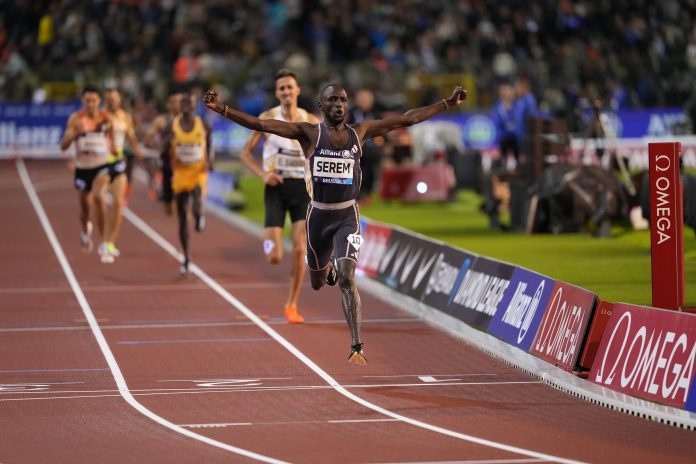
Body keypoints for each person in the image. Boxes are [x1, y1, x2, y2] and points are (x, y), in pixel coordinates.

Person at [204, 84, 468, 364]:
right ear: (321, 105)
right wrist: (222, 109)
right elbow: (260, 124)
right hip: (318, 215)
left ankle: (356, 344)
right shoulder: (308, 133)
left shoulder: (360, 132)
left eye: (342, 99)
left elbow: (407, 119)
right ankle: (324, 268)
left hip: (346, 216)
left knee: (347, 276)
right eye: (332, 100)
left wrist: (447, 103)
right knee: (318, 283)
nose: (339, 104)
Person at [239, 69, 321, 324]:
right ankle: (269, 243)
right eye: (281, 88)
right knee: (273, 255)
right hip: (275, 188)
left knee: (299, 249)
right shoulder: (267, 118)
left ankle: (292, 305)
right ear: (277, 93)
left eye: (290, 87)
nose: (286, 92)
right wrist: (264, 175)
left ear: (297, 91)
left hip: (301, 190)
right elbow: (245, 154)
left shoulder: (311, 121)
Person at [60, 85, 116, 262]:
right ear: (83, 101)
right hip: (83, 169)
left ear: (99, 102)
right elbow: (63, 146)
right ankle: (85, 230)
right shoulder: (76, 119)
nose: (91, 104)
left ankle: (105, 243)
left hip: (102, 166)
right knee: (85, 209)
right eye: (87, 100)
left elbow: (112, 141)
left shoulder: (106, 118)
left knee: (99, 197)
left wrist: (112, 147)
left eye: (94, 100)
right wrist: (75, 133)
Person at [162, 92, 213, 274]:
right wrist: (167, 145)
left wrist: (210, 158)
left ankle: (199, 215)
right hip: (180, 173)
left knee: (197, 201)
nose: (185, 106)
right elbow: (163, 147)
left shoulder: (202, 124)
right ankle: (185, 258)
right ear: (179, 106)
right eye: (183, 103)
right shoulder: (172, 125)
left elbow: (209, 139)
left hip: (198, 172)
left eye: (189, 103)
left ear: (194, 106)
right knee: (182, 218)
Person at [103, 88, 145, 260]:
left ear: (119, 100)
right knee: (98, 202)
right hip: (100, 164)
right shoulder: (100, 117)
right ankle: (97, 233)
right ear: (106, 100)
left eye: (115, 98)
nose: (113, 101)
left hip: (118, 163)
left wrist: (137, 150)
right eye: (110, 99)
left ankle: (110, 243)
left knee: (118, 204)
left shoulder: (125, 118)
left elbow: (132, 137)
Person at [145, 92, 182, 215]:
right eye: (175, 102)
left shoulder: (188, 120)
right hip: (167, 160)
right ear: (169, 105)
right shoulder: (162, 120)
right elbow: (148, 138)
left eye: (181, 102)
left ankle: (183, 213)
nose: (178, 104)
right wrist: (158, 147)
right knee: (168, 200)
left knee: (183, 191)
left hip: (183, 161)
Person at [347, 88, 384, 205]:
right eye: (360, 98)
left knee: (371, 161)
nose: (363, 101)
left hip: (372, 149)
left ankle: (367, 193)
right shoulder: (351, 113)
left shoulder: (377, 113)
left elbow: (384, 131)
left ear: (371, 100)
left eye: (365, 99)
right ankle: (357, 194)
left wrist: (381, 138)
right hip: (355, 147)